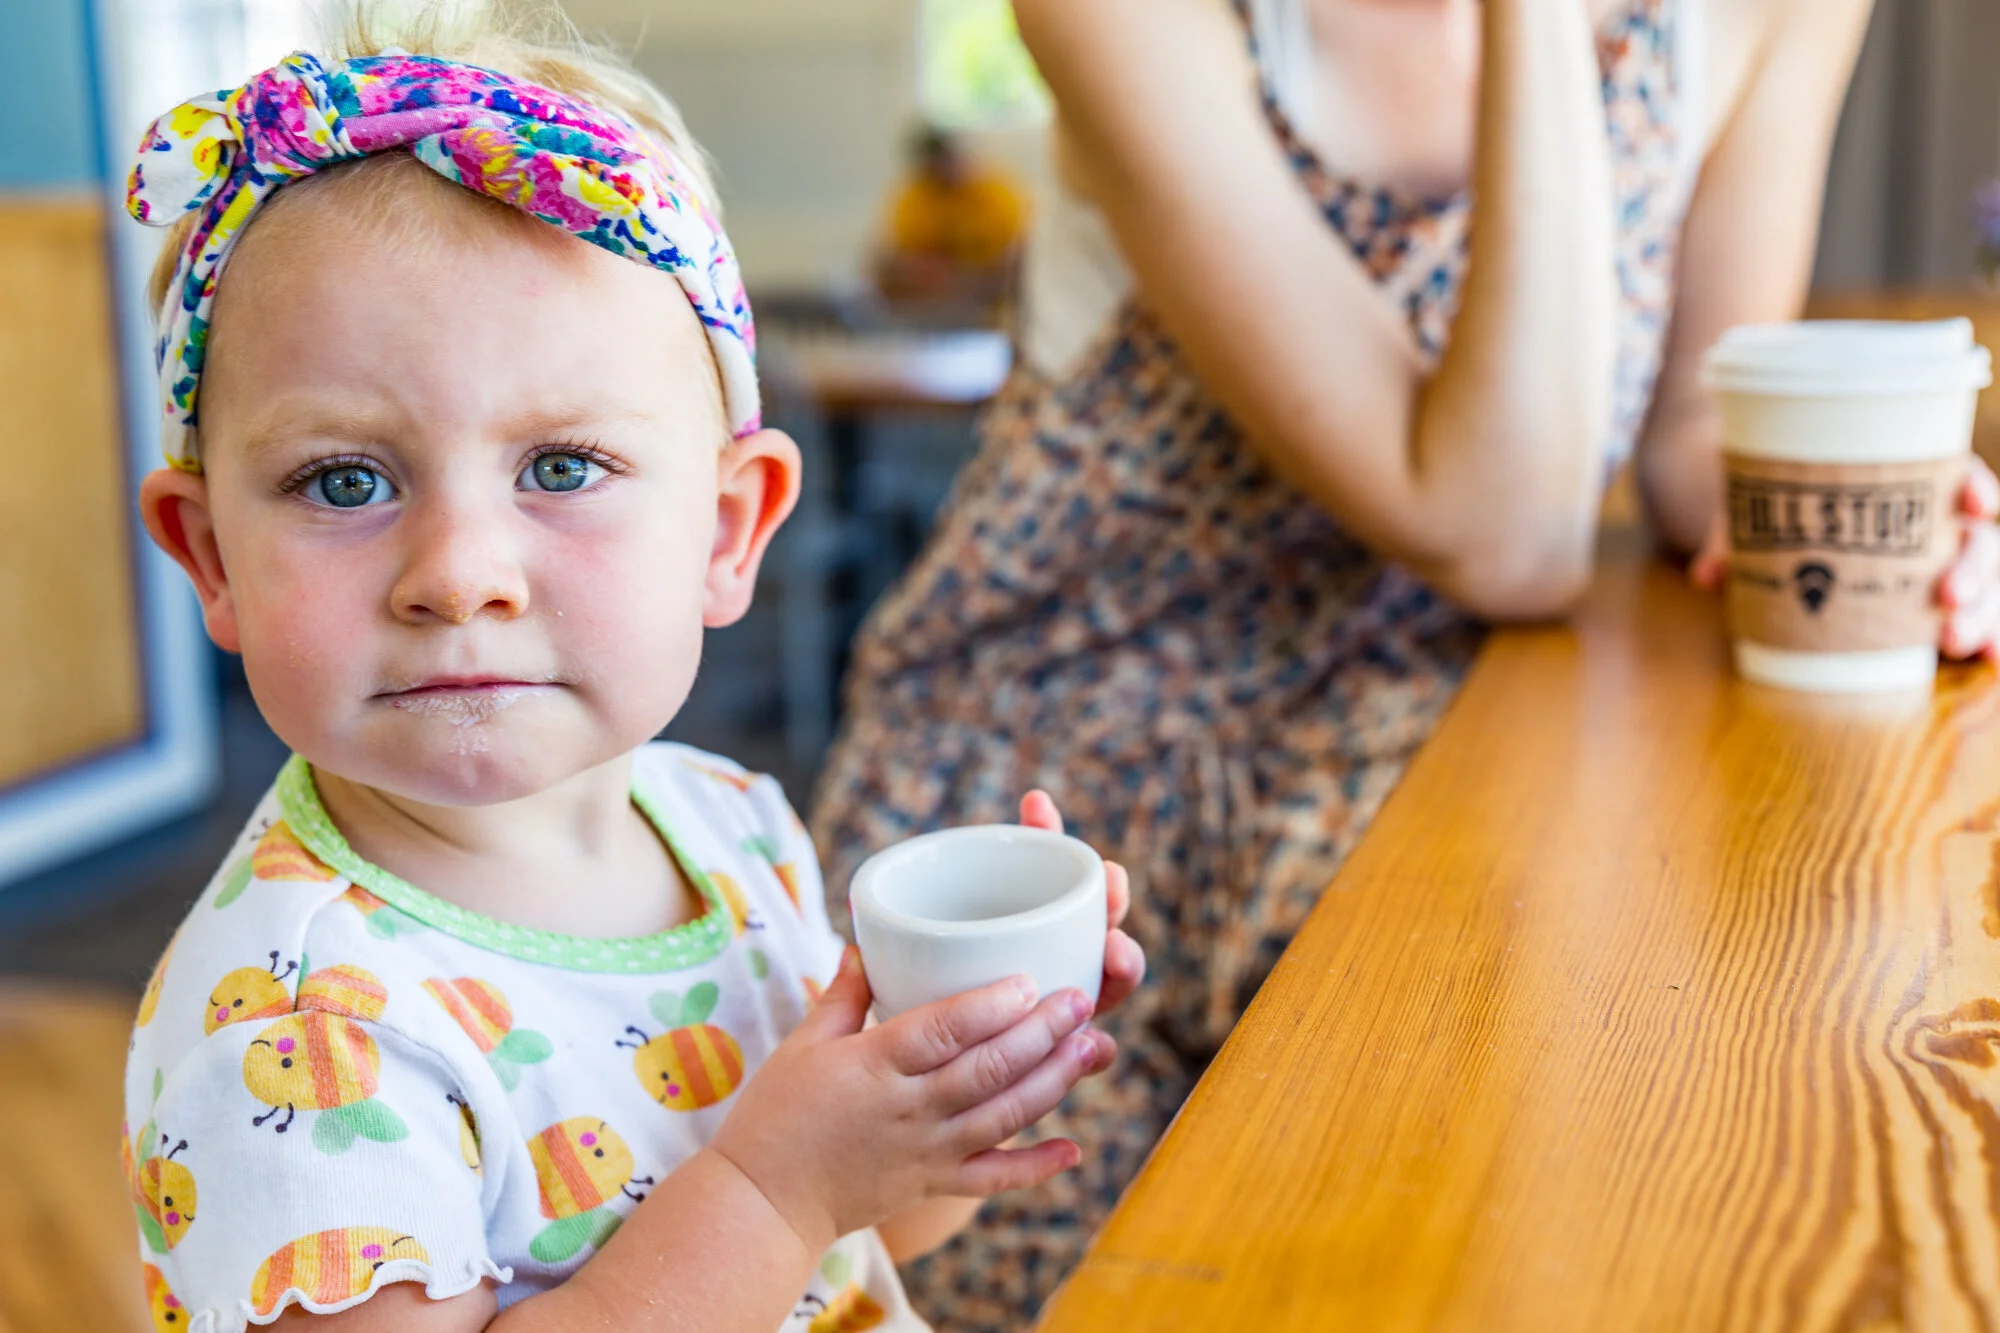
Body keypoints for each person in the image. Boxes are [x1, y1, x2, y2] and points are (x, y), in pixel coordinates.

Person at [811, 0, 2000, 1327]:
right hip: (1041, 805)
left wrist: (1863, 508)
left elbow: (1688, 433)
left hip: (1421, 792)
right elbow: (1510, 536)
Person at [119, 11, 1143, 1331]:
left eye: (560, 468)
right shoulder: (298, 1036)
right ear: (212, 557)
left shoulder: (726, 823)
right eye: (346, 480)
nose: (461, 572)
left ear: (726, 533)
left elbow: (866, 1230)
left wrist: (952, 1082)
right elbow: (792, 1210)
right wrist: (773, 1189)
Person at [872, 126, 1028, 312]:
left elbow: (1018, 247)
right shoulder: (915, 197)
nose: (945, 170)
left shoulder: (995, 191)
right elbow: (902, 256)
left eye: (949, 160)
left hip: (989, 283)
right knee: (885, 268)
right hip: (942, 289)